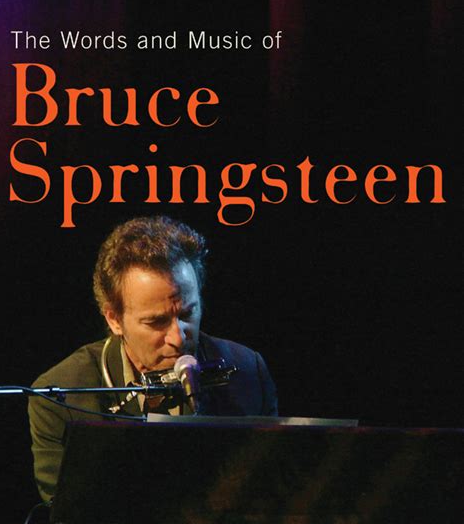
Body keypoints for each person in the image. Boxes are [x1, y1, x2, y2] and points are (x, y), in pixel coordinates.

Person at [28, 215, 278, 503]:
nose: (178, 338)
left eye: (187, 314)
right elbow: (67, 513)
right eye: (156, 322)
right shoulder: (57, 397)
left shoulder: (248, 372)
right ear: (114, 319)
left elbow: (269, 493)